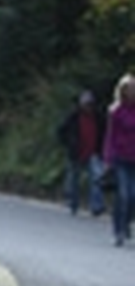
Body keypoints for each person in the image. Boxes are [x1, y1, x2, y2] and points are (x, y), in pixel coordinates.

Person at [55, 89, 107, 217]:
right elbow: (61, 131)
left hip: (94, 152)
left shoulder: (99, 117)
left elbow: (105, 133)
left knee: (97, 178)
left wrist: (103, 149)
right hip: (76, 153)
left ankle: (96, 205)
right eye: (86, 104)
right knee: (73, 180)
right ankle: (73, 202)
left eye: (90, 104)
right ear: (80, 104)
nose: (88, 107)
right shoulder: (73, 117)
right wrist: (69, 144)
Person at [104, 74, 135, 246]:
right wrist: (108, 158)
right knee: (123, 194)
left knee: (133, 196)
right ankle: (118, 230)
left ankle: (127, 221)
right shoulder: (116, 111)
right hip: (121, 158)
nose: (132, 92)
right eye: (129, 89)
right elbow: (110, 136)